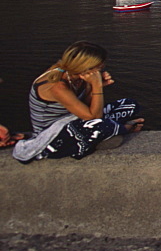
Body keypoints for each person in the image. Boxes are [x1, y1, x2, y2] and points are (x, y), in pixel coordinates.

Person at [13, 41, 143, 162]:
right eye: (100, 65)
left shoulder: (76, 77)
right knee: (102, 125)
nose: (103, 68)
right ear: (87, 66)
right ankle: (125, 128)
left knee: (129, 105)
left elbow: (86, 107)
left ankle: (108, 132)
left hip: (75, 119)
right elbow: (94, 117)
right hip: (52, 134)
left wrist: (91, 86)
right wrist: (96, 86)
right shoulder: (57, 87)